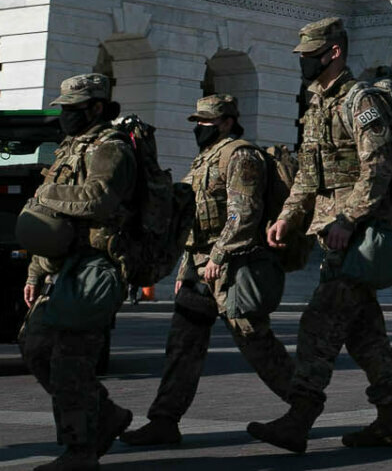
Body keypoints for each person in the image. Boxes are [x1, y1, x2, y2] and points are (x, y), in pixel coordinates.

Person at [249, 17, 392, 454]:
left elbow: (377, 169)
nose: (303, 61)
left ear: (334, 52)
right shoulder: (318, 103)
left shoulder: (361, 100)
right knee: (365, 334)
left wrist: (347, 219)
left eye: (310, 54)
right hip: (332, 235)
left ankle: (300, 418)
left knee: (318, 325)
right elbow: (308, 173)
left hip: (357, 236)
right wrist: (287, 217)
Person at [125, 94, 293, 445]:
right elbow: (193, 220)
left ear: (228, 122)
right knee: (182, 345)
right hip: (199, 269)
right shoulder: (205, 158)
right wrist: (185, 268)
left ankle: (304, 404)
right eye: (197, 121)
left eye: (206, 121)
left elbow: (244, 213)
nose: (199, 127)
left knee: (255, 342)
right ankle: (164, 421)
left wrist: (218, 255)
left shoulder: (240, 155)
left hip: (232, 267)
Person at [20, 72, 137, 469]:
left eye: (72, 109)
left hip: (96, 267)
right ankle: (106, 414)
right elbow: (50, 218)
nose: (65, 116)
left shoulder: (111, 148)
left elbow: (99, 199)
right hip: (63, 265)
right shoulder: (71, 148)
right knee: (35, 346)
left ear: (96, 107)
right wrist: (36, 271)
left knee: (70, 360)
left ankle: (80, 450)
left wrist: (45, 192)